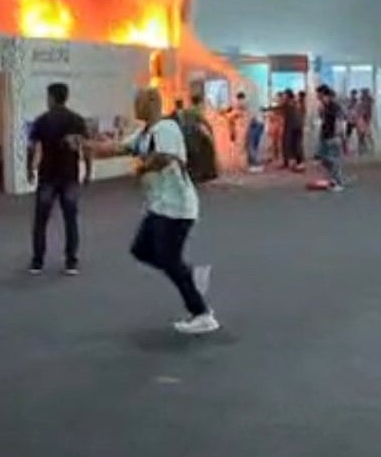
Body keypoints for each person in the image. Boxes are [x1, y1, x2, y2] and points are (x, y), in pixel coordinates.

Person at [92, 88, 218, 334]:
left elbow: (165, 157)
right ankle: (187, 276)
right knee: (141, 250)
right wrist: (89, 146)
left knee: (169, 259)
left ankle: (202, 314)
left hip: (177, 207)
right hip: (159, 206)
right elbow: (120, 148)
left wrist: (142, 169)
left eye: (138, 102)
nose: (135, 106)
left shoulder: (166, 129)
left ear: (152, 104)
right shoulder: (144, 132)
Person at [26, 82, 91, 275]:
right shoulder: (77, 120)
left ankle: (37, 262)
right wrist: (88, 170)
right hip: (69, 175)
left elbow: (32, 148)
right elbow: (86, 148)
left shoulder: (42, 120)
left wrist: (29, 169)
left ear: (52, 98)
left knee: (41, 220)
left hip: (47, 175)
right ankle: (71, 262)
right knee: (70, 219)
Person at [315, 86, 346, 191]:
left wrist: (339, 135)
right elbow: (323, 120)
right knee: (324, 159)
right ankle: (333, 179)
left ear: (324, 95)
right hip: (325, 136)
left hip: (333, 136)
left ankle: (338, 182)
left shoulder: (334, 106)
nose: (317, 97)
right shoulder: (324, 106)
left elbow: (340, 120)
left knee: (334, 160)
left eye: (319, 94)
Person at [239, 92, 265, 173]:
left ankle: (255, 165)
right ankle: (254, 165)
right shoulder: (250, 103)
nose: (239, 103)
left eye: (239, 101)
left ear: (242, 99)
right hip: (260, 124)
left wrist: (246, 129)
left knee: (250, 144)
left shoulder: (248, 105)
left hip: (256, 124)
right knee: (254, 145)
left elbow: (251, 118)